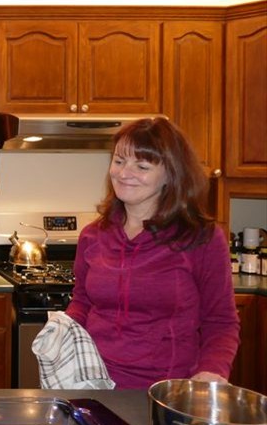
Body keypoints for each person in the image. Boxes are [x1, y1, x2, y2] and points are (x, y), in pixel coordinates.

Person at [65, 117, 240, 389]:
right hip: (93, 386)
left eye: (142, 166)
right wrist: (62, 333)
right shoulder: (93, 235)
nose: (124, 174)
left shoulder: (201, 238)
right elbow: (83, 302)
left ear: (170, 174)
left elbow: (221, 320)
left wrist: (212, 370)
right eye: (119, 161)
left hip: (167, 391)